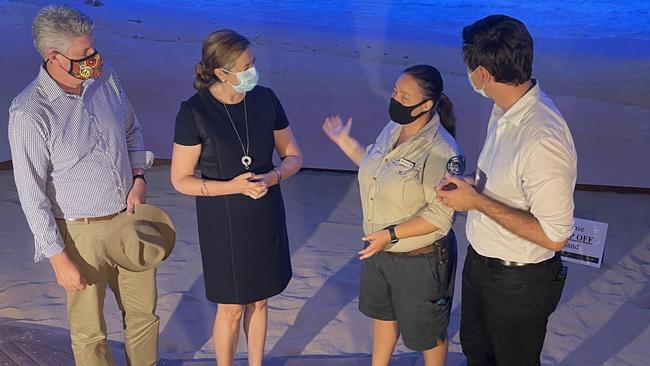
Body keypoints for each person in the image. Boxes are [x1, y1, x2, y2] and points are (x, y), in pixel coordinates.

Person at [8, 5, 158, 365]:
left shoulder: (107, 80)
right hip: (79, 235)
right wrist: (59, 258)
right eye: (83, 54)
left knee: (144, 317)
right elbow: (31, 195)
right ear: (53, 56)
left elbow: (132, 131)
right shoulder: (29, 113)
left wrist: (138, 178)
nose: (93, 58)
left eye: (93, 49)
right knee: (90, 333)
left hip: (128, 220)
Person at [435, 14, 577, 366]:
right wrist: (472, 185)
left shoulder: (542, 137)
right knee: (477, 353)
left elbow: (556, 235)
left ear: (481, 74)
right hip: (482, 263)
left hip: (519, 282)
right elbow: (508, 183)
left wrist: (478, 202)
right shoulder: (504, 110)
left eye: (469, 67)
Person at [170, 29, 303, 366]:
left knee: (259, 300)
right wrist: (234, 186)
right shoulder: (194, 112)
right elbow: (180, 180)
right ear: (221, 73)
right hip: (224, 219)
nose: (252, 72)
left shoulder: (266, 99)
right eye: (245, 67)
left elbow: (293, 156)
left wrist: (273, 177)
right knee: (231, 307)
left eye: (253, 64)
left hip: (265, 212)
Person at [323, 65, 463, 366]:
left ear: (426, 105)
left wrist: (391, 234)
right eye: (395, 92)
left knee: (428, 333)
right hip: (378, 249)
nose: (395, 99)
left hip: (420, 259)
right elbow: (375, 170)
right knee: (383, 315)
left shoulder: (443, 152)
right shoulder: (393, 129)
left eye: (404, 96)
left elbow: (441, 218)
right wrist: (343, 141)